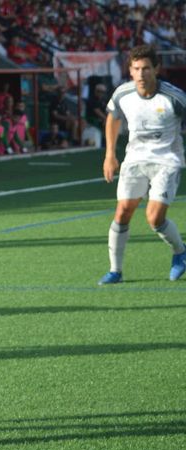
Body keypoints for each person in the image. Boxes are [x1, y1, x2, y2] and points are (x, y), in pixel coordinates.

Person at [100, 44, 186, 284]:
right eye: (136, 68)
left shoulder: (174, 97)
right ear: (130, 70)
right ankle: (115, 270)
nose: (141, 74)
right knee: (123, 211)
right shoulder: (122, 94)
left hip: (167, 161)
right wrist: (110, 155)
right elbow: (113, 117)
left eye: (146, 68)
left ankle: (180, 252)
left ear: (156, 69)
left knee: (154, 218)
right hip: (135, 159)